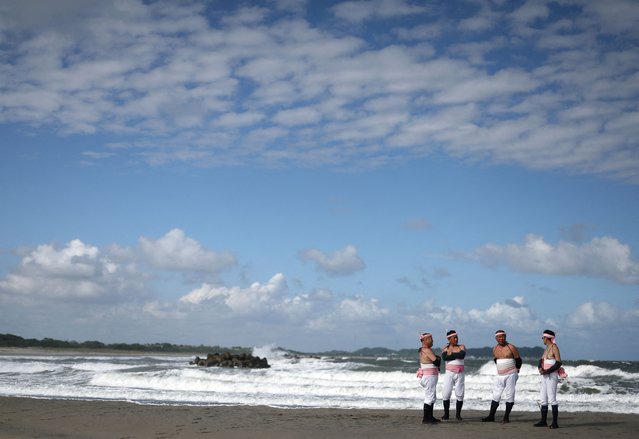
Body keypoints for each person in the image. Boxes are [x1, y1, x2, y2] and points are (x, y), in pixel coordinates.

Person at [481, 329, 521, 423]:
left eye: (503, 336)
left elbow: (518, 360)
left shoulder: (511, 347)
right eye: (500, 337)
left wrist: (517, 370)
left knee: (510, 395)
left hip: (511, 374)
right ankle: (491, 416)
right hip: (500, 375)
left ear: (505, 337)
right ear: (496, 338)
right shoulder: (494, 349)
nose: (502, 338)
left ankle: (506, 417)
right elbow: (496, 360)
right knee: (496, 395)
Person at [534, 329, 564, 429]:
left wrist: (548, 371)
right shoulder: (546, 349)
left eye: (543, 337)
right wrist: (540, 369)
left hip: (552, 375)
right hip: (544, 376)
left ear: (547, 338)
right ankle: (543, 421)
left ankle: (555, 423)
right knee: (543, 398)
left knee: (552, 398)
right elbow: (540, 360)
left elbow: (559, 362)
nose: (542, 339)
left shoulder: (554, 347)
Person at [440, 329, 465, 420]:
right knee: (446, 393)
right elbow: (445, 357)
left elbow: (462, 355)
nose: (456, 339)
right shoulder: (445, 348)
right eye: (454, 338)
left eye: (457, 337)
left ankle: (458, 414)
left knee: (460, 394)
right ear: (449, 339)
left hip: (460, 373)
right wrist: (455, 355)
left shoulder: (461, 346)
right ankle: (446, 414)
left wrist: (451, 355)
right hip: (449, 373)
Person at [417, 332, 441, 424]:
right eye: (431, 339)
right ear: (426, 340)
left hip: (429, 376)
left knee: (432, 396)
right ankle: (426, 418)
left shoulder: (423, 350)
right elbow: (436, 362)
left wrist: (437, 359)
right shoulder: (427, 350)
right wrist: (438, 359)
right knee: (429, 396)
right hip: (429, 376)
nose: (433, 340)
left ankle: (430, 416)